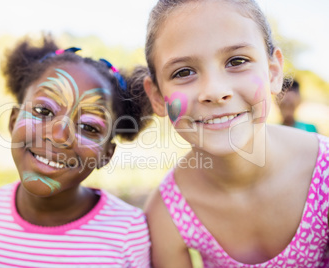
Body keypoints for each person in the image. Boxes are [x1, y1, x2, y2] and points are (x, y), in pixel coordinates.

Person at [134, 0, 329, 267]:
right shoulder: (167, 212)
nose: (214, 91)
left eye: (237, 61)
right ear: (157, 96)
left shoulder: (324, 173)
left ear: (273, 72)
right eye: (184, 72)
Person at [0, 35, 151, 268]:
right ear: (13, 121)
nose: (58, 135)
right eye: (43, 111)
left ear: (106, 154)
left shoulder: (127, 231)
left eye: (88, 127)